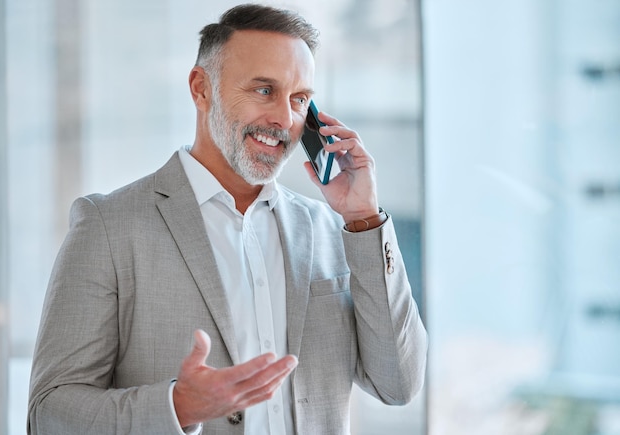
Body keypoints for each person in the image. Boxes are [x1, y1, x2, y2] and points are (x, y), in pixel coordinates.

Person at [27, 3, 428, 434]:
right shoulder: (109, 226)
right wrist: (175, 407)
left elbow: (399, 384)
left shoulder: (334, 229)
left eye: (300, 99)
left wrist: (364, 218)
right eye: (263, 90)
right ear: (202, 89)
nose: (283, 119)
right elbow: (50, 414)